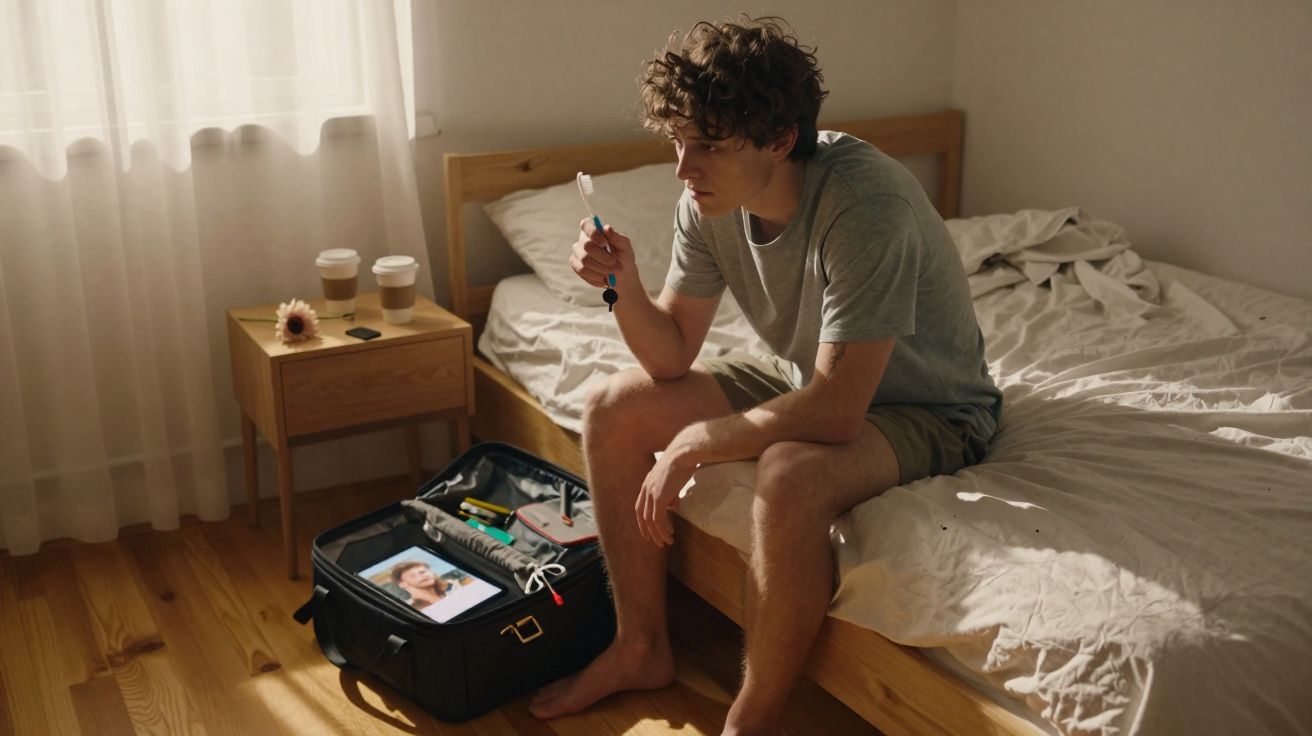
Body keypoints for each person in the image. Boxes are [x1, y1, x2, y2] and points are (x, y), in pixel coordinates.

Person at [529, 16, 1002, 735]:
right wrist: (622, 284)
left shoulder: (863, 205)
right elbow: (670, 354)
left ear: (781, 139)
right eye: (680, 144)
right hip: (804, 377)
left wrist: (696, 442)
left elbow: (839, 413)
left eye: (709, 147)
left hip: (927, 407)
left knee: (788, 474)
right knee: (609, 406)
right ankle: (640, 647)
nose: (684, 171)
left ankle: (749, 720)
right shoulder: (705, 204)